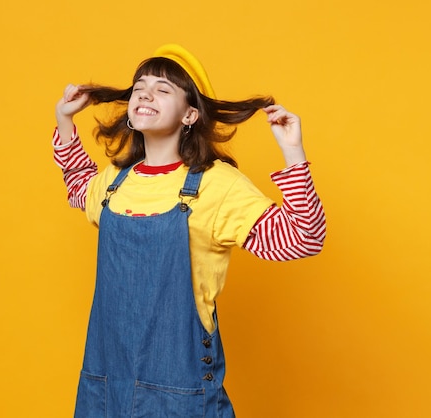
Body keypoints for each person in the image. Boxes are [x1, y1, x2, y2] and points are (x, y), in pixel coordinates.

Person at [52, 44, 326, 418]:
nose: (146, 94)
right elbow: (79, 185)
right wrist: (65, 120)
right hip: (106, 389)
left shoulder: (218, 185)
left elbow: (302, 238)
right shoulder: (114, 182)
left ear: (190, 114)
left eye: (164, 90)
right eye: (140, 87)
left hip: (179, 394)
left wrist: (293, 152)